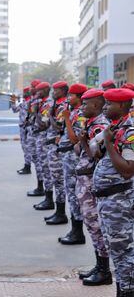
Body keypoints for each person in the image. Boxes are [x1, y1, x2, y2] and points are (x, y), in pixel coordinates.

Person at [93, 88, 134, 296]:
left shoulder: (129, 132)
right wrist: (102, 143)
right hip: (109, 201)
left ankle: (127, 291)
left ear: (123, 106)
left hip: (119, 201)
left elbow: (128, 169)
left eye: (109, 104)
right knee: (117, 252)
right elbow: (93, 148)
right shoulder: (114, 126)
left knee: (124, 252)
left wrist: (108, 143)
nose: (105, 107)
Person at [75, 89, 112, 286]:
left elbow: (96, 156)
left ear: (96, 105)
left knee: (96, 225)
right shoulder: (91, 124)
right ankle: (99, 265)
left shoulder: (99, 127)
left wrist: (82, 141)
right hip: (85, 180)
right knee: (91, 225)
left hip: (91, 181)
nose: (81, 107)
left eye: (85, 104)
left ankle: (104, 270)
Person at [57, 83, 87, 245]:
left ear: (80, 97)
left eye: (72, 95)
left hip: (74, 159)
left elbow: (75, 139)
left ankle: (78, 233)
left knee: (75, 195)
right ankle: (74, 230)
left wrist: (67, 119)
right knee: (71, 193)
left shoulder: (80, 114)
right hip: (68, 158)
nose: (69, 98)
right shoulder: (75, 111)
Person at [44, 81, 68, 225]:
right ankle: (58, 211)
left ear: (64, 90)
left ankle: (61, 213)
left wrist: (51, 115)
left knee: (59, 180)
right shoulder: (56, 104)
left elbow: (58, 126)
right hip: (53, 145)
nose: (54, 92)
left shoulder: (62, 106)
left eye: (56, 90)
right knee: (55, 178)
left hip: (58, 146)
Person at [32, 82, 55, 211]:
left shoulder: (48, 104)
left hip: (46, 141)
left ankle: (49, 200)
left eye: (39, 91)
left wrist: (35, 113)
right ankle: (47, 197)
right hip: (42, 139)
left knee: (47, 170)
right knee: (43, 168)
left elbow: (43, 124)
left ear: (46, 90)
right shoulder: (42, 102)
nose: (37, 93)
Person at [25, 80, 45, 197]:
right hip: (34, 134)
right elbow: (30, 113)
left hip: (41, 137)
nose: (30, 89)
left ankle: (41, 188)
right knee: (36, 161)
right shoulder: (34, 100)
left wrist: (36, 110)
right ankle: (39, 186)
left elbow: (43, 122)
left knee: (41, 163)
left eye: (33, 87)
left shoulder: (44, 103)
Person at [10, 87, 32, 174]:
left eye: (26, 92)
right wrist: (13, 101)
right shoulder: (23, 102)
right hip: (23, 127)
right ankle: (27, 165)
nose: (24, 94)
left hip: (28, 127)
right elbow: (15, 110)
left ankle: (28, 167)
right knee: (24, 147)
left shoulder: (30, 102)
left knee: (27, 147)